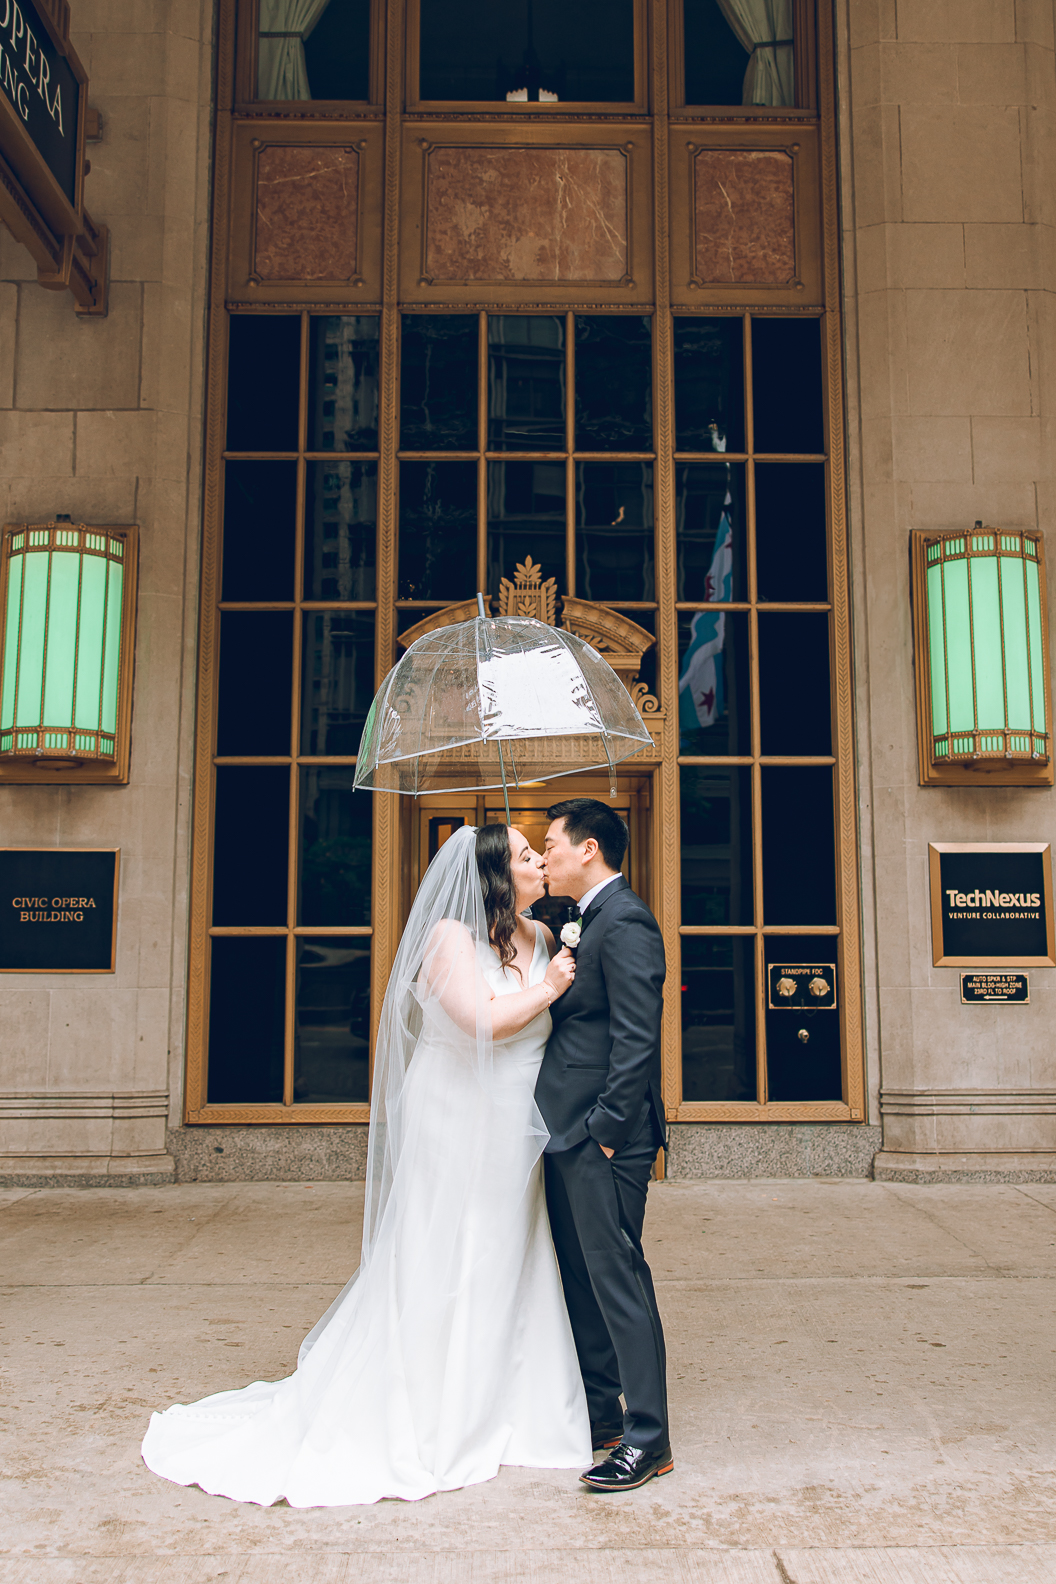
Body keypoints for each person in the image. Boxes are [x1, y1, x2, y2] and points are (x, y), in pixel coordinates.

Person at [141, 824, 590, 1506]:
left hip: (517, 1121)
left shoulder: (543, 936)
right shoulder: (447, 938)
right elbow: (478, 1021)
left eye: (538, 853)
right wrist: (550, 988)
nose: (540, 864)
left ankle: (514, 1405)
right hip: (459, 1116)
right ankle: (435, 1409)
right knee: (450, 1249)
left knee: (509, 1249)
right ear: (497, 876)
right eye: (527, 857)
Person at [537, 797, 671, 1492]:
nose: (546, 851)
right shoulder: (578, 920)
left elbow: (637, 1038)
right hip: (565, 1134)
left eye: (552, 842)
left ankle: (648, 1438)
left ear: (589, 848)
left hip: (602, 1136)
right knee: (583, 1282)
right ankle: (602, 1415)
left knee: (618, 1281)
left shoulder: (626, 921)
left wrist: (609, 1134)